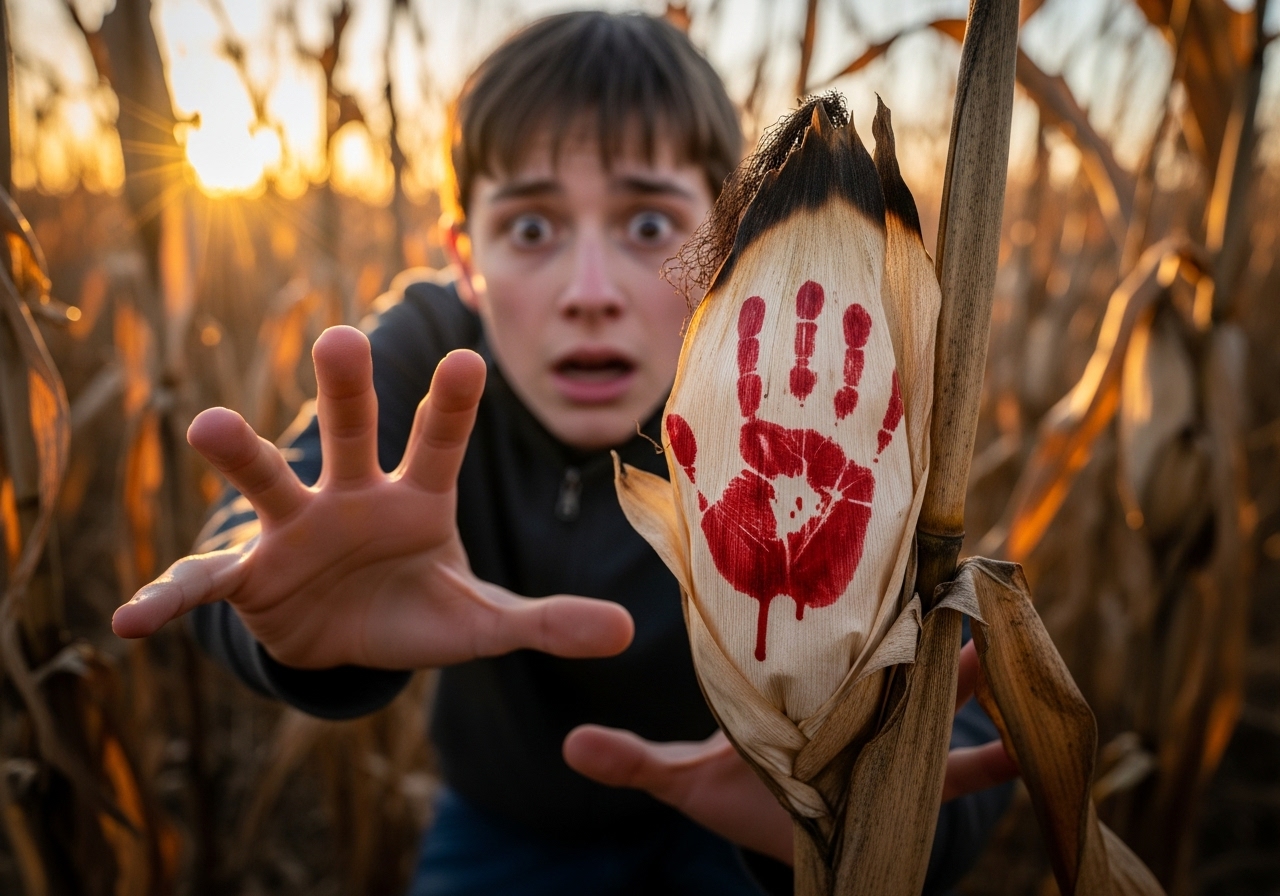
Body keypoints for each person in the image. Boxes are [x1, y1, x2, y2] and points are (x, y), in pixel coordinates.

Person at [113, 12, 1014, 895]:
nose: (590, 293)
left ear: (725, 251)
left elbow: (959, 726)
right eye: (533, 231)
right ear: (466, 257)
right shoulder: (432, 349)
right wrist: (284, 602)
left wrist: (870, 813)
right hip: (508, 827)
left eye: (651, 227)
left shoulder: (803, 383)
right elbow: (256, 532)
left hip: (751, 822)